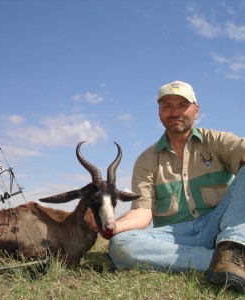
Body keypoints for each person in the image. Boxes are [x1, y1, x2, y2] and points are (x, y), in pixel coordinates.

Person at [85, 80, 245, 293]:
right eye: (167, 106)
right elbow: (142, 213)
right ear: (159, 112)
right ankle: (230, 261)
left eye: (182, 105)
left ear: (195, 111)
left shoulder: (216, 141)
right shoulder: (146, 160)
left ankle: (233, 248)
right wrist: (111, 225)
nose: (175, 112)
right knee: (120, 246)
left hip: (220, 226)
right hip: (173, 235)